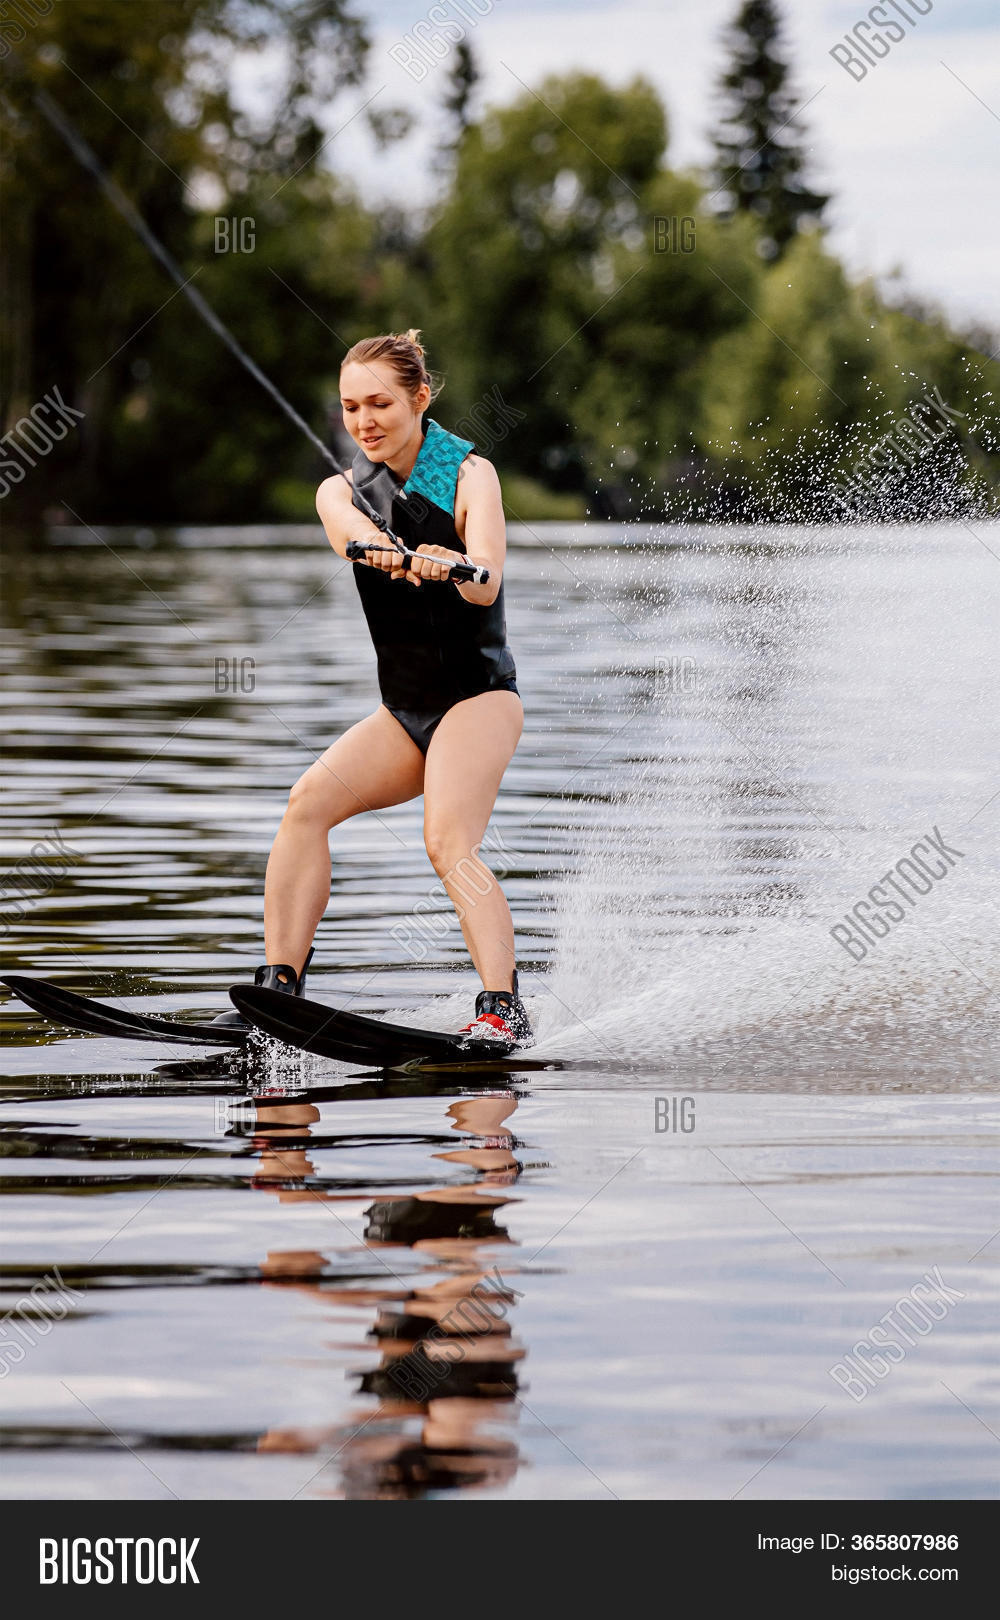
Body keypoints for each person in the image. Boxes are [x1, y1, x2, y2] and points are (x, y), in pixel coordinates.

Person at [225, 330, 531, 1046]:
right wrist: (381, 550)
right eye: (350, 405)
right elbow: (344, 531)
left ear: (419, 399)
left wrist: (448, 562)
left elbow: (487, 582)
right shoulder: (343, 487)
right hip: (404, 712)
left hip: (479, 700)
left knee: (447, 838)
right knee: (306, 805)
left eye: (380, 403)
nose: (363, 420)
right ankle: (280, 995)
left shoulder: (468, 474)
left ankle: (502, 1008)